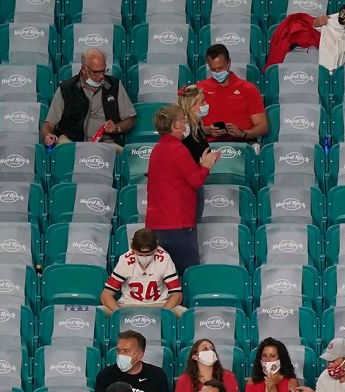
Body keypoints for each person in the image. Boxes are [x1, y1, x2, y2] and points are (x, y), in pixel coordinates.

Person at [145, 105, 218, 270]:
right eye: (183, 120)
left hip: (156, 224)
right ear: (175, 126)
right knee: (187, 276)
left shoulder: (157, 150)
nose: (186, 123)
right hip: (178, 225)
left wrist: (200, 166)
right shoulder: (179, 150)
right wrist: (206, 166)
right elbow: (196, 181)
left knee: (160, 277)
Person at [41, 48, 135, 148]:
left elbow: (130, 119)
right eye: (96, 72)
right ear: (84, 69)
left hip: (106, 142)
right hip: (71, 141)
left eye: (103, 71)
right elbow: (48, 125)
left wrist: (116, 128)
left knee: (122, 153)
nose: (101, 76)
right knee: (64, 147)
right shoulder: (66, 89)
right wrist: (48, 135)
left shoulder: (114, 86)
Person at [93, 330, 172, 392]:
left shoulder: (157, 375)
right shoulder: (105, 374)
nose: (121, 355)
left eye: (126, 351)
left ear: (140, 354)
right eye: (118, 351)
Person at [101, 229, 182, 315]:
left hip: (160, 305)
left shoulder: (165, 258)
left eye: (149, 254)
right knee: (100, 311)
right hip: (128, 305)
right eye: (140, 254)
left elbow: (177, 294)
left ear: (156, 247)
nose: (144, 258)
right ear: (132, 247)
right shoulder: (125, 260)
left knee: (182, 312)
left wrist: (163, 313)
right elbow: (106, 295)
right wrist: (119, 313)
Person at [199, 44, 268, 142]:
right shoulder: (199, 89)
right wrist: (206, 130)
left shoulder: (248, 89)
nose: (218, 72)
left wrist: (243, 134)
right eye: (213, 69)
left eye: (221, 68)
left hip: (242, 143)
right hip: (209, 145)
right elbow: (187, 125)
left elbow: (263, 126)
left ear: (229, 63)